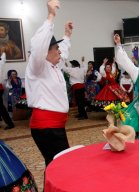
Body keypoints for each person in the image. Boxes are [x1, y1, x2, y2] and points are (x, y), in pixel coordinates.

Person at [25, 0, 73, 166]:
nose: (59, 51)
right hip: (47, 128)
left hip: (54, 126)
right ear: (46, 51)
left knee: (55, 165)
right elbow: (38, 46)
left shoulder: (53, 65)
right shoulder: (37, 66)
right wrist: (51, 15)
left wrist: (66, 35)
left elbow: (63, 52)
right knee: (60, 166)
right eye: (55, 48)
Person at [0, 51, 15, 129]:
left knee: (1, 107)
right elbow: (3, 58)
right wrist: (3, 53)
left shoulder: (0, 63)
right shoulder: (1, 62)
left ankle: (10, 123)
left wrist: (3, 52)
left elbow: (3, 58)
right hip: (0, 87)